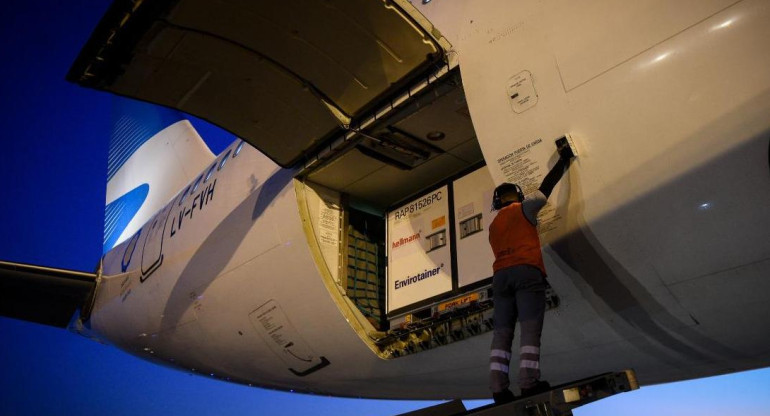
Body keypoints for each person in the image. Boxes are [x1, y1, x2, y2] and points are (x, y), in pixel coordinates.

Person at [488, 140, 575, 404]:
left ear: (496, 201)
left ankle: (498, 390)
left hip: (500, 278)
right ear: (518, 197)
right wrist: (564, 159)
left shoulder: (493, 225)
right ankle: (528, 383)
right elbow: (546, 188)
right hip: (526, 274)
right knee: (529, 331)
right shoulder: (523, 209)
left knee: (502, 335)